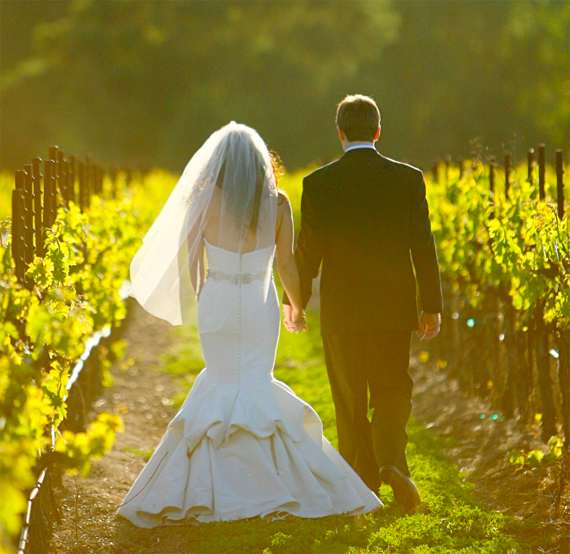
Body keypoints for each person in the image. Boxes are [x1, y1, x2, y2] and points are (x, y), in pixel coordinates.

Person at [118, 122, 381, 527]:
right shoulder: (277, 202)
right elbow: (287, 265)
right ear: (261, 163)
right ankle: (272, 481)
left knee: (223, 382)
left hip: (219, 299)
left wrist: (204, 293)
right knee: (255, 382)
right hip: (260, 304)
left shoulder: (203, 200)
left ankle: (216, 484)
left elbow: (190, 259)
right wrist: (297, 307)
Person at [283, 95, 443, 511]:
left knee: (350, 399)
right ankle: (392, 463)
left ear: (340, 133)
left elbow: (308, 253)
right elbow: (422, 247)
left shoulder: (318, 184)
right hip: (393, 308)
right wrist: (431, 304)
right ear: (377, 131)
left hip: (342, 311)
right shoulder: (408, 179)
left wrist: (295, 302)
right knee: (393, 389)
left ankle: (362, 485)